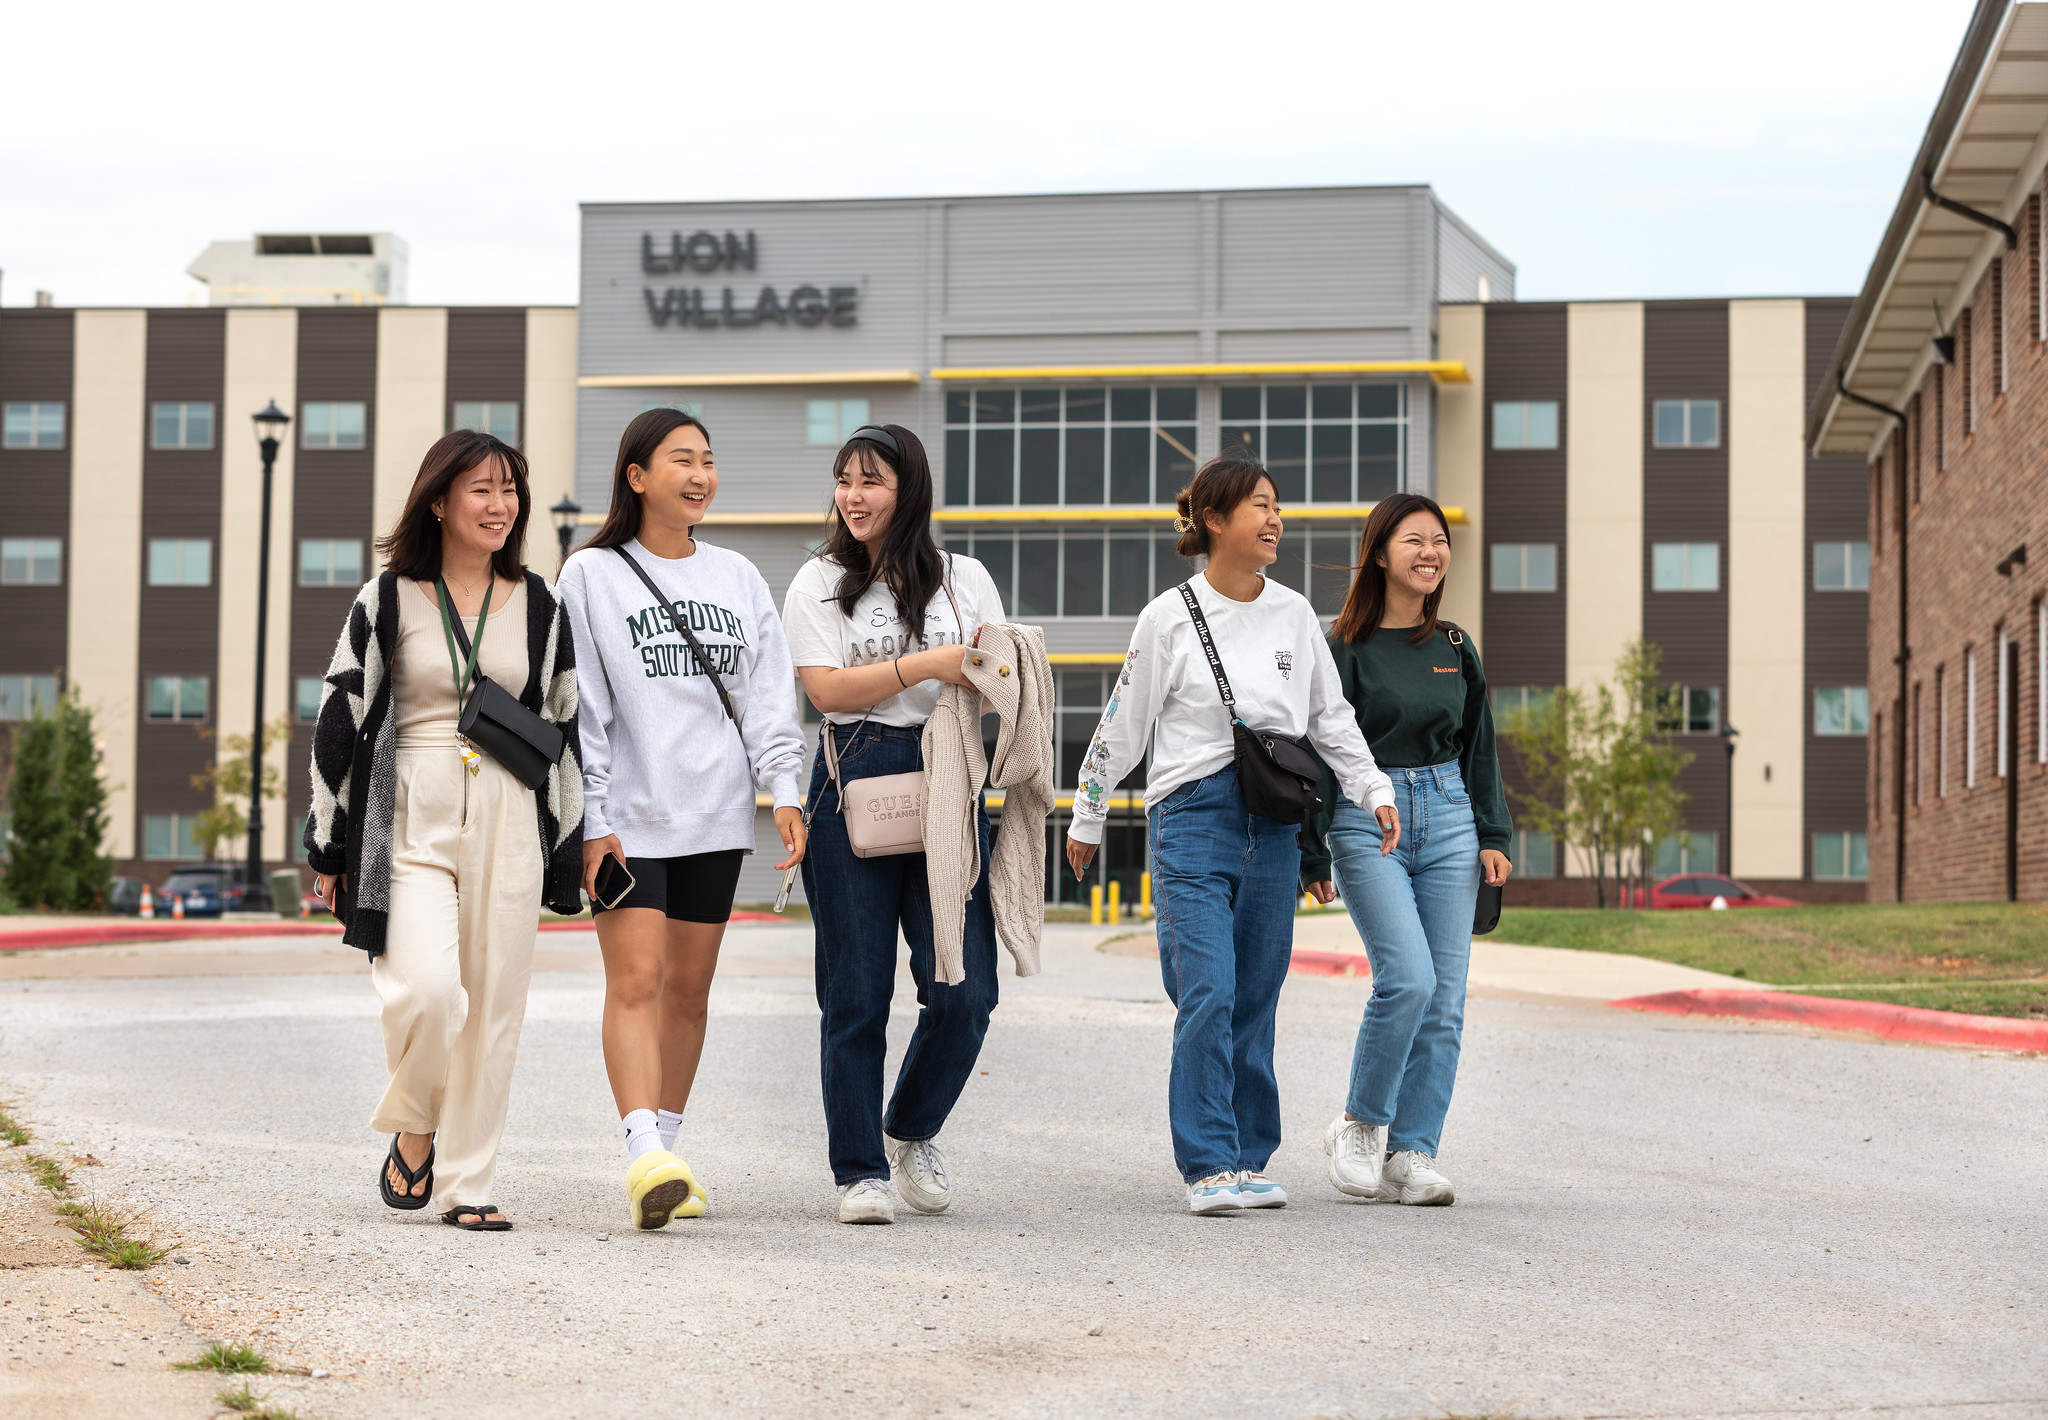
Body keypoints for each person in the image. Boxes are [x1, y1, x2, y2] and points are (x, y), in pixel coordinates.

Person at [1065, 452, 1397, 1215]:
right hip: (1192, 815)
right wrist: (1087, 811)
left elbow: (1330, 719)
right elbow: (1124, 723)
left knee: (1256, 993)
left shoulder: (1293, 614)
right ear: (1215, 520)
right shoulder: (1168, 615)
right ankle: (1208, 1163)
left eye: (1278, 506)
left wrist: (1371, 786)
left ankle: (1249, 1157)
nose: (1276, 519)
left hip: (1274, 821)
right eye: (1260, 506)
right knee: (1208, 989)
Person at [304, 429, 584, 1232]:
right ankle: (418, 1123)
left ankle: (467, 1186)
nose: (501, 506)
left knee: (496, 1008)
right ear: (439, 501)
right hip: (408, 808)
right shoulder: (387, 596)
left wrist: (569, 843)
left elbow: (563, 722)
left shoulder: (539, 602)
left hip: (507, 807)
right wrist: (328, 842)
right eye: (482, 490)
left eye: (511, 490)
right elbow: (339, 716)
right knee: (428, 993)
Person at [558, 408, 808, 1231]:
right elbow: (583, 709)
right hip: (628, 816)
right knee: (635, 982)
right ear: (636, 477)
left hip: (718, 815)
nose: (700, 475)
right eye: (680, 460)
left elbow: (769, 697)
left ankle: (666, 1151)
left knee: (691, 994)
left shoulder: (737, 576)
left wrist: (786, 790)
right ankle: (642, 1154)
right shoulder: (590, 575)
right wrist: (591, 817)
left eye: (707, 460)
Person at [782, 424, 1007, 1226]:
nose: (853, 496)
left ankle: (910, 1127)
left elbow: (994, 678)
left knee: (966, 990)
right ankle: (859, 1171)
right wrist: (925, 667)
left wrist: (993, 677)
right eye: (845, 480)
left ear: (908, 489)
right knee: (856, 991)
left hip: (950, 777)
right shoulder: (817, 580)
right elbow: (826, 693)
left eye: (871, 480)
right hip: (855, 777)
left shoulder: (966, 579)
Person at [1301, 492, 1512, 1208]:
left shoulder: (1455, 647)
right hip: (1368, 819)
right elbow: (1322, 750)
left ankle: (1412, 1151)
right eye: (1414, 540)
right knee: (1408, 980)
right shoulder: (1343, 649)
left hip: (1450, 814)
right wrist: (1312, 848)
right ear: (1381, 553)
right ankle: (1360, 1124)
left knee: (1446, 1000)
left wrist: (1493, 834)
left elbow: (1480, 745)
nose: (1431, 552)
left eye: (1440, 541)